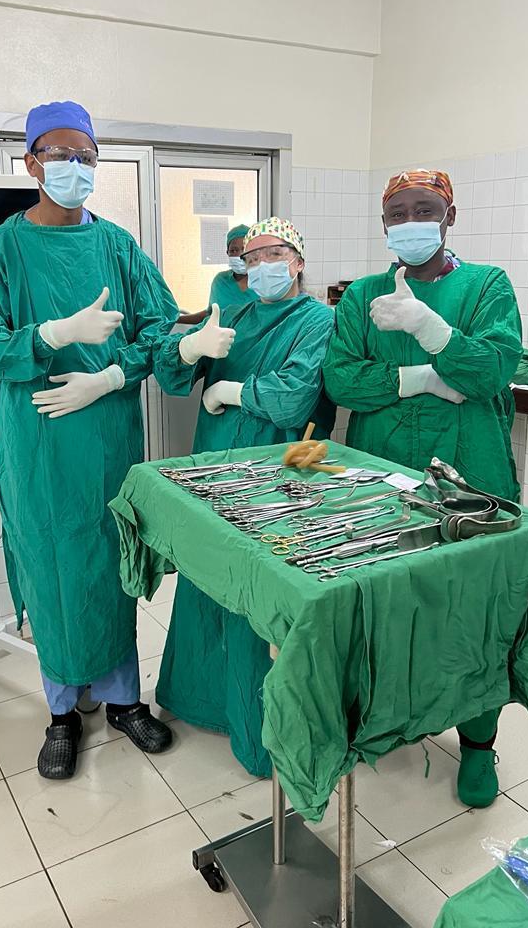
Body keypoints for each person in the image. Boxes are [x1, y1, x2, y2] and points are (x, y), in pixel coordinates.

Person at [0, 101, 178, 779]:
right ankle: (60, 713)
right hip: (35, 445)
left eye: (85, 156)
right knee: (51, 566)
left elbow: (160, 328)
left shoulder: (117, 247)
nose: (74, 167)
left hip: (106, 438)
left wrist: (110, 375)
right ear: (31, 163)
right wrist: (52, 334)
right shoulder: (0, 251)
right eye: (59, 155)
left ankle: (123, 700)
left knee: (109, 563)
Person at [322, 169, 523, 809]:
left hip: (472, 470)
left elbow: (492, 370)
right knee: (389, 604)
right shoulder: (363, 296)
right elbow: (341, 380)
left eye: (425, 209)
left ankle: (479, 742)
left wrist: (432, 330)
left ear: (449, 216)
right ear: (384, 224)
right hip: (384, 472)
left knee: (474, 612)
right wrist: (421, 377)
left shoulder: (486, 286)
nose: (411, 222)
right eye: (398, 213)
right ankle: (392, 713)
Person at [153, 217, 335, 776]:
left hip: (276, 474)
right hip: (214, 466)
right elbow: (170, 377)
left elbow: (293, 398)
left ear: (297, 261)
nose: (260, 267)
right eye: (250, 259)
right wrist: (189, 348)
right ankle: (197, 698)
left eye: (272, 254)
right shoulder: (231, 317)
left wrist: (230, 390)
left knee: (260, 594)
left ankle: (259, 729)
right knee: (208, 577)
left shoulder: (318, 320)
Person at [177, 224, 258, 325]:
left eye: (244, 249)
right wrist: (176, 319)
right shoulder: (221, 281)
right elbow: (211, 314)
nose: (239, 255)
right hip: (222, 334)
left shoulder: (262, 281)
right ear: (227, 253)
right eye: (233, 250)